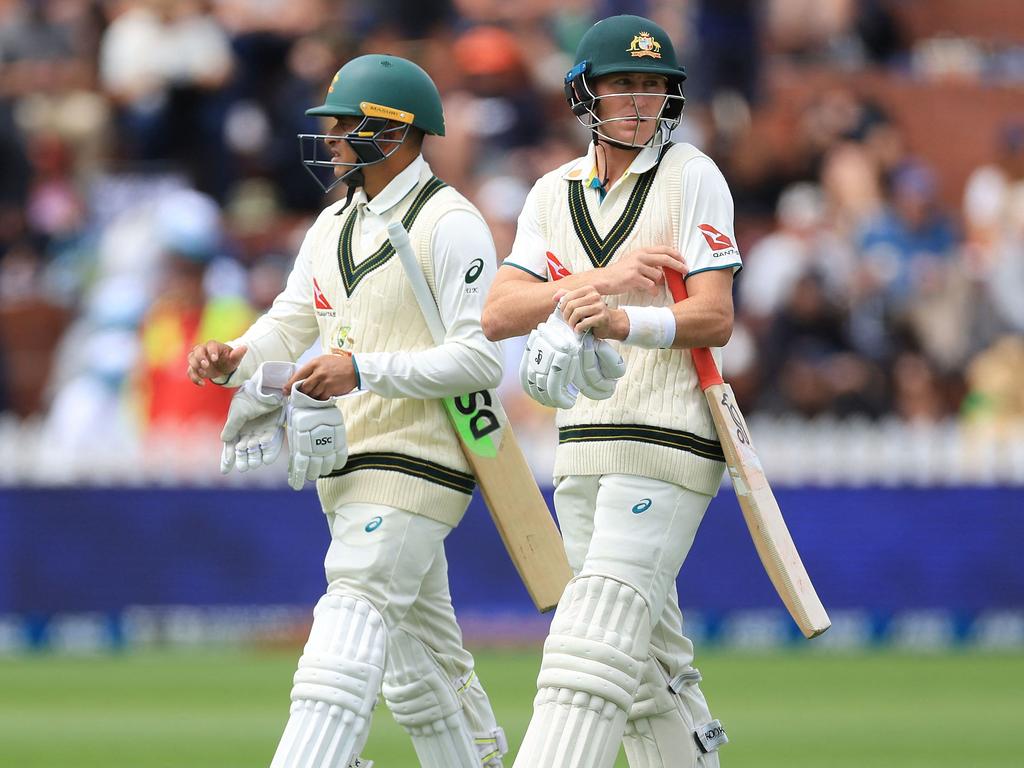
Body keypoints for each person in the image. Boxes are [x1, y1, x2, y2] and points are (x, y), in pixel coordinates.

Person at [186, 54, 507, 768]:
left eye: (343, 124)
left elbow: (482, 360)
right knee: (418, 667)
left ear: (395, 132)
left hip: (420, 460)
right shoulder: (333, 223)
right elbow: (291, 319)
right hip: (343, 462)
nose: (329, 138)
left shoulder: (451, 223)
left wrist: (362, 369)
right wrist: (234, 356)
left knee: (347, 625)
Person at [482, 15, 740, 768]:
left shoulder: (692, 175)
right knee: (647, 675)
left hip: (669, 442)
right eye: (623, 84)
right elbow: (499, 313)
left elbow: (715, 317)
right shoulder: (551, 192)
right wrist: (600, 280)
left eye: (655, 86)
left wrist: (626, 319)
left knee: (588, 647)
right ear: (585, 92)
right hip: (583, 446)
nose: (639, 101)